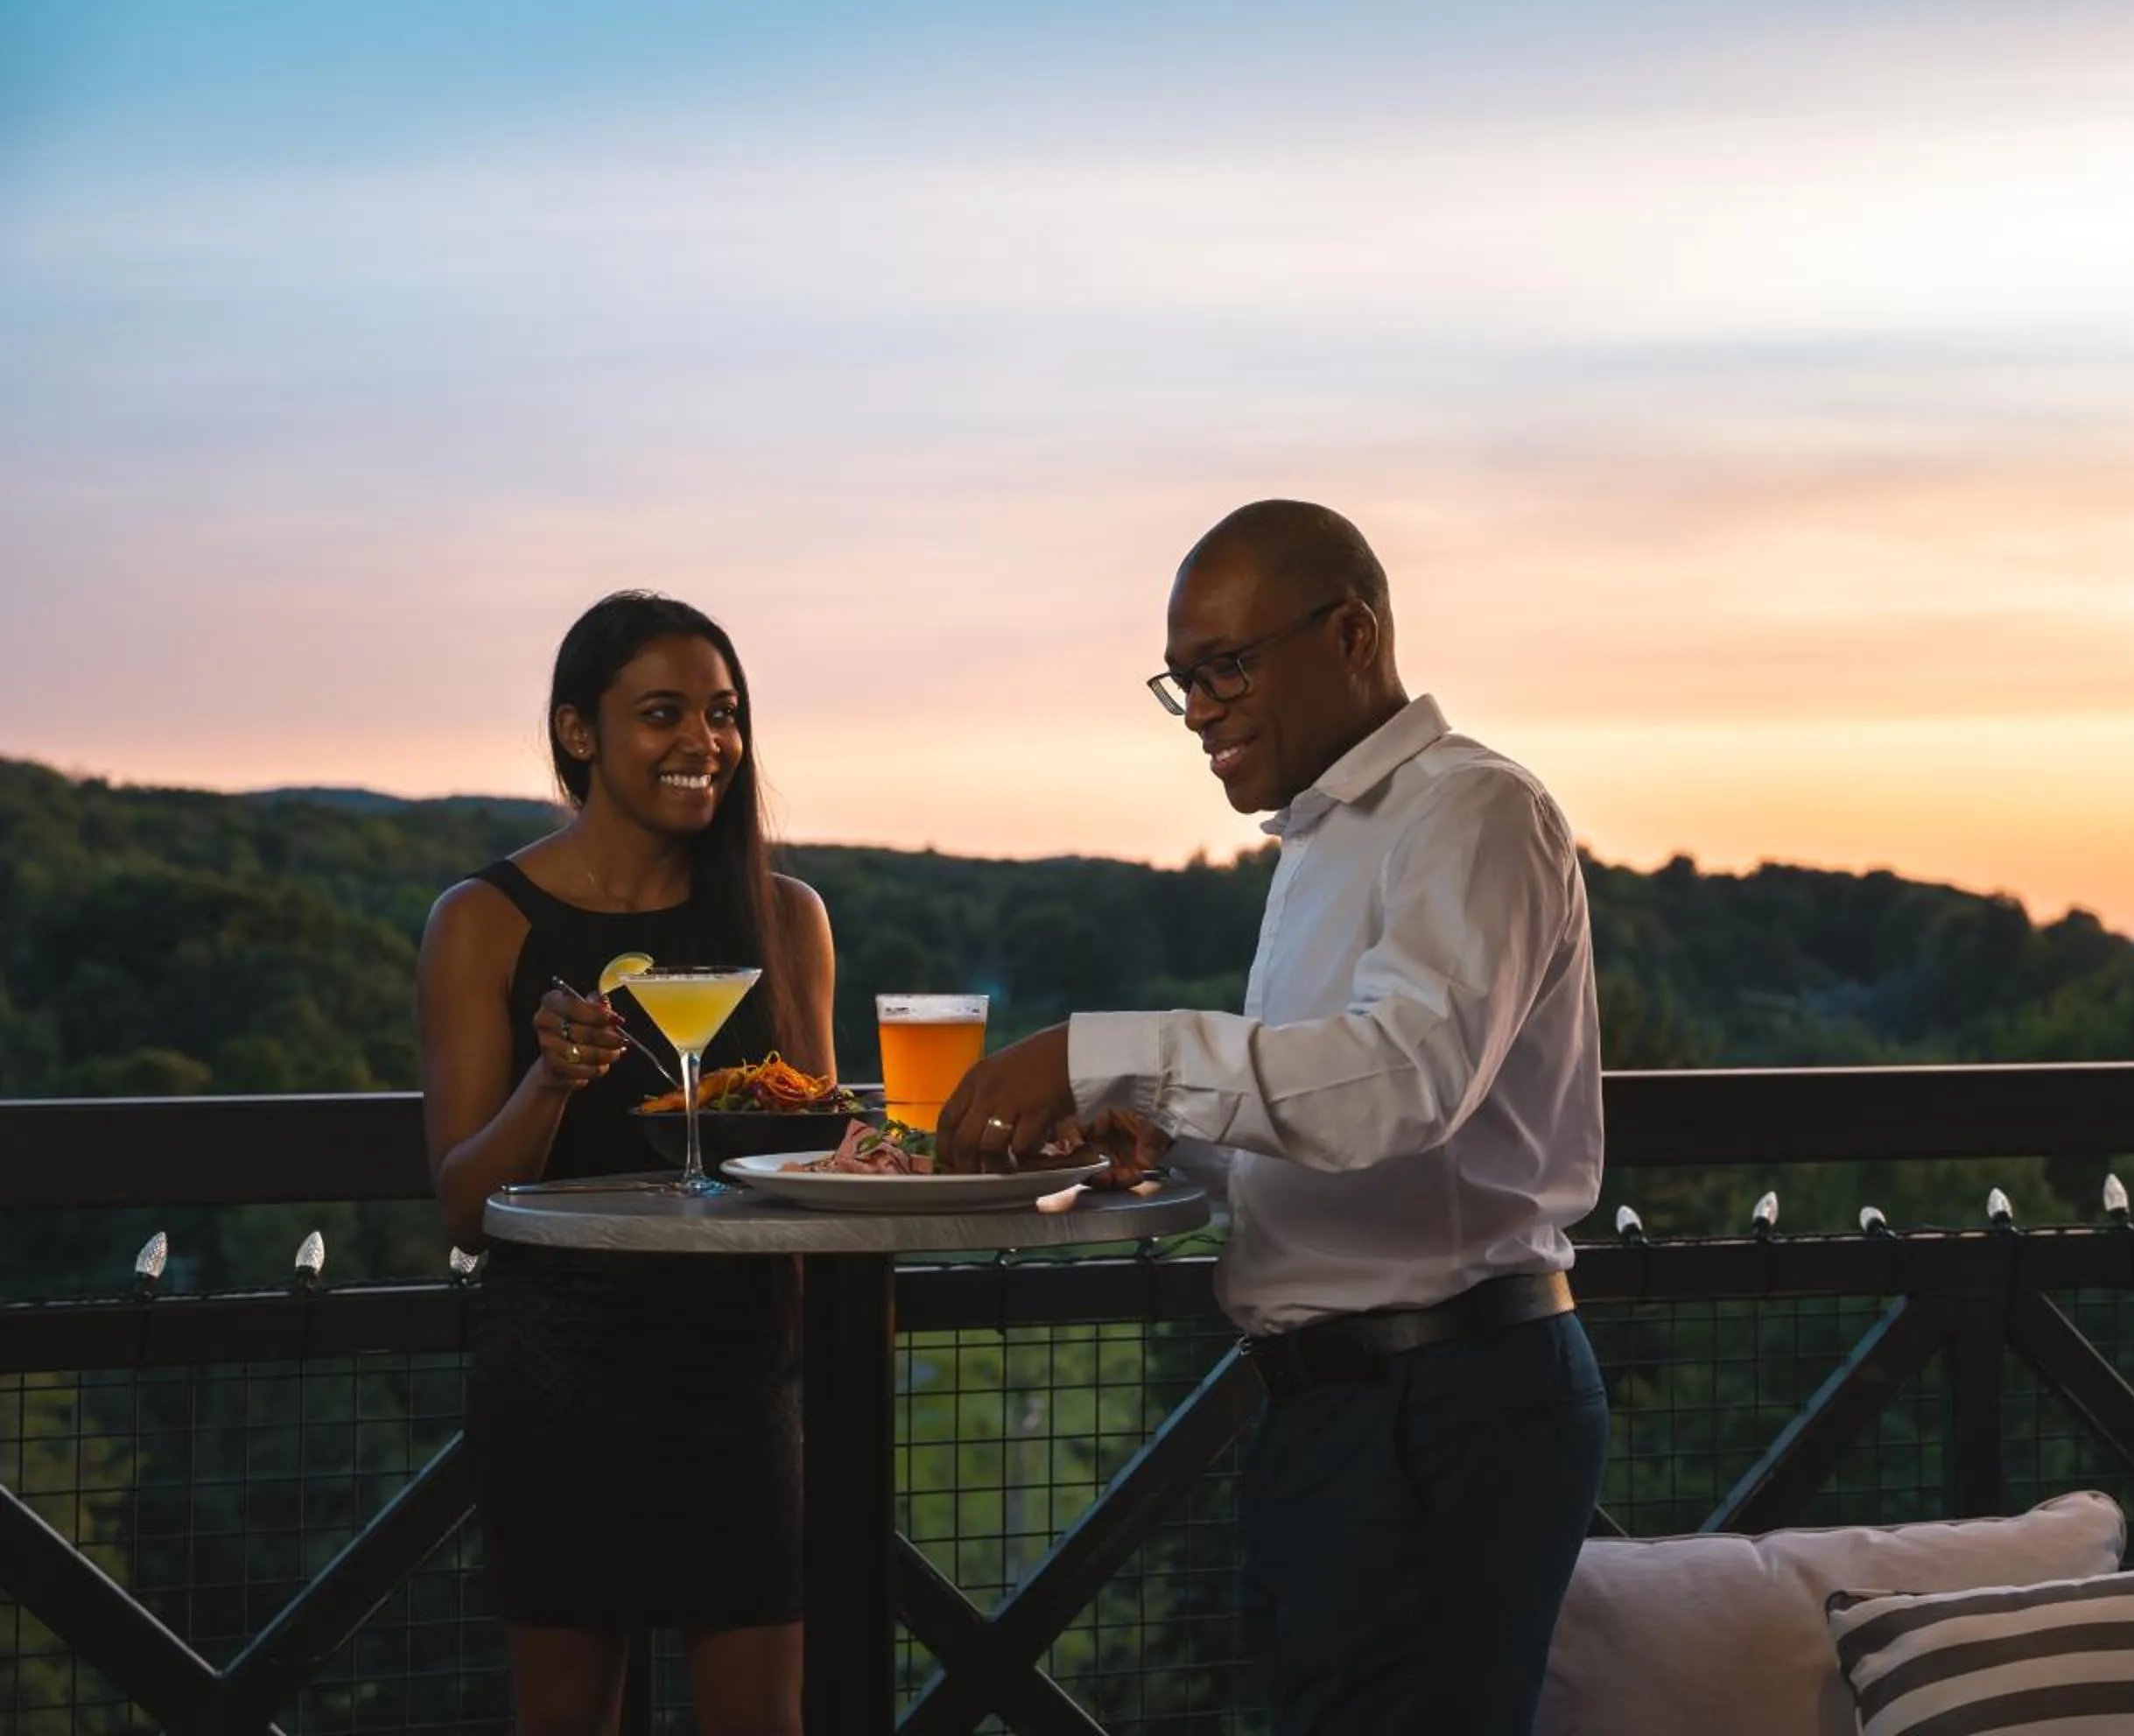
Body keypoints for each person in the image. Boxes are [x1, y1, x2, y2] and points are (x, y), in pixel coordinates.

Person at [936, 500, 1609, 1736]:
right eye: (1181, 681)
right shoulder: (1321, 838)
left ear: (1351, 634)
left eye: (1228, 668)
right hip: (1344, 1407)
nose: (1199, 711)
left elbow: (1401, 1086)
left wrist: (1102, 1053)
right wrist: (1162, 1127)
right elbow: (1319, 1097)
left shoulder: (1470, 811)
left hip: (1445, 1398)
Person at [417, 591, 834, 1736]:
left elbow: (818, 1154)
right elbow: (464, 1206)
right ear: (578, 733)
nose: (706, 742)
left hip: (738, 1369)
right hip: (563, 1365)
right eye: (663, 713)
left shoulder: (785, 918)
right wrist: (550, 1078)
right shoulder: (484, 922)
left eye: (724, 713)